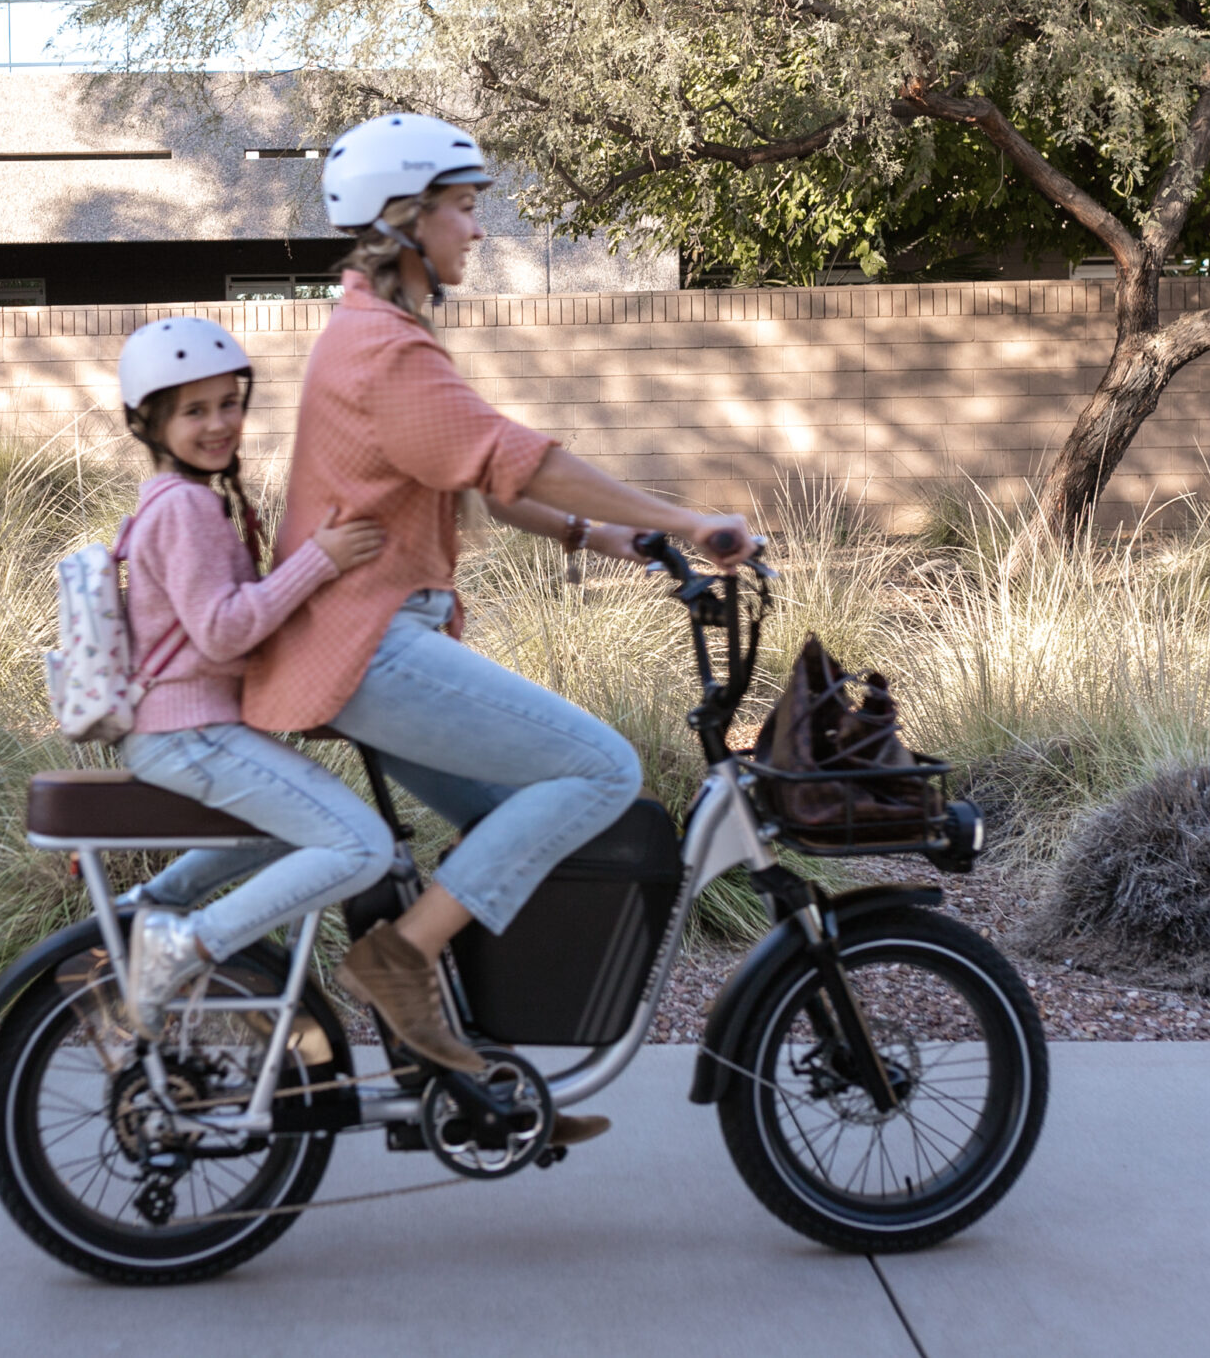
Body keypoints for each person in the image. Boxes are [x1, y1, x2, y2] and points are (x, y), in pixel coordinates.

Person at [245, 114, 752, 1143]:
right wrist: (687, 519)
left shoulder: (382, 337)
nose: (478, 230)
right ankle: (396, 960)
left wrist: (608, 540)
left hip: (379, 640)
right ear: (405, 218)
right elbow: (517, 454)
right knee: (601, 774)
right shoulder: (383, 351)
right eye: (465, 207)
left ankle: (470, 1073)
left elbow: (487, 476)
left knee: (519, 817)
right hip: (374, 646)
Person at [110, 316, 397, 1038]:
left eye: (227, 403)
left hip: (188, 728)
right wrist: (322, 558)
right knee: (361, 846)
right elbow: (225, 627)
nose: (218, 424)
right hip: (188, 731)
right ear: (150, 423)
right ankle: (187, 941)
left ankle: (153, 907)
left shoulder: (185, 501)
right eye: (193, 410)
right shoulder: (184, 507)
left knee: (293, 829)